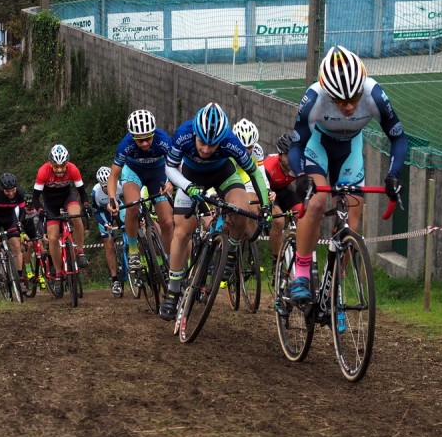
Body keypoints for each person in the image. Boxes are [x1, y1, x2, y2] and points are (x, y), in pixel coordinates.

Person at [282, 45, 408, 311]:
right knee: (317, 201)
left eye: (354, 98)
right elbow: (295, 147)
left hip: (350, 149)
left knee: (352, 222)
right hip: (318, 145)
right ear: (329, 93)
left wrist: (393, 174)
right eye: (341, 101)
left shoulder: (374, 93)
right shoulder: (314, 97)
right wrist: (302, 175)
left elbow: (398, 137)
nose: (350, 106)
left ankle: (334, 284)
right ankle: (302, 272)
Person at [160, 102, 272, 321]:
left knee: (241, 210)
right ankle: (173, 292)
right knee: (182, 231)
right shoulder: (184, 133)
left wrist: (266, 205)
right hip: (190, 176)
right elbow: (170, 167)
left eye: (212, 145)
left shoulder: (230, 141)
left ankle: (230, 253)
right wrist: (188, 187)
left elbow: (255, 173)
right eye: (202, 142)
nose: (206, 150)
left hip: (223, 175)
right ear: (195, 134)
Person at [106, 109, 174, 272]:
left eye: (148, 138)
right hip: (134, 172)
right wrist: (112, 198)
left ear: (153, 132)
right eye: (139, 140)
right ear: (133, 137)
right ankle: (133, 250)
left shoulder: (163, 140)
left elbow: (176, 165)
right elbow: (114, 175)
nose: (144, 143)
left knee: (167, 221)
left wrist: (170, 181)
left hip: (158, 173)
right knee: (133, 206)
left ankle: (171, 259)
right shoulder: (126, 144)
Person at [31, 144, 91, 297]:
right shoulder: (43, 171)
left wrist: (85, 205)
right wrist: (41, 211)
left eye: (62, 165)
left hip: (67, 198)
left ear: (67, 163)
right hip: (50, 204)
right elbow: (35, 199)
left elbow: (82, 192)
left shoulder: (73, 169)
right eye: (56, 166)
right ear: (50, 163)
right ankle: (58, 273)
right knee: (52, 238)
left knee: (76, 217)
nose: (59, 169)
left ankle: (80, 251)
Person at [262, 135, 302, 268]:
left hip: (286, 191)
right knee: (278, 221)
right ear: (280, 155)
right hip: (270, 192)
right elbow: (262, 188)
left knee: (302, 215)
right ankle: (276, 263)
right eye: (288, 156)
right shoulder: (269, 166)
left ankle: (298, 252)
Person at [92, 166, 126, 297]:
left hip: (119, 206)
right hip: (103, 213)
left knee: (129, 226)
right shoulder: (95, 192)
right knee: (109, 244)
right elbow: (96, 212)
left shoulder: (120, 185)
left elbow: (129, 200)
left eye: (109, 184)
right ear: (100, 185)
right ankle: (114, 279)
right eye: (105, 186)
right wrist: (105, 223)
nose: (107, 188)